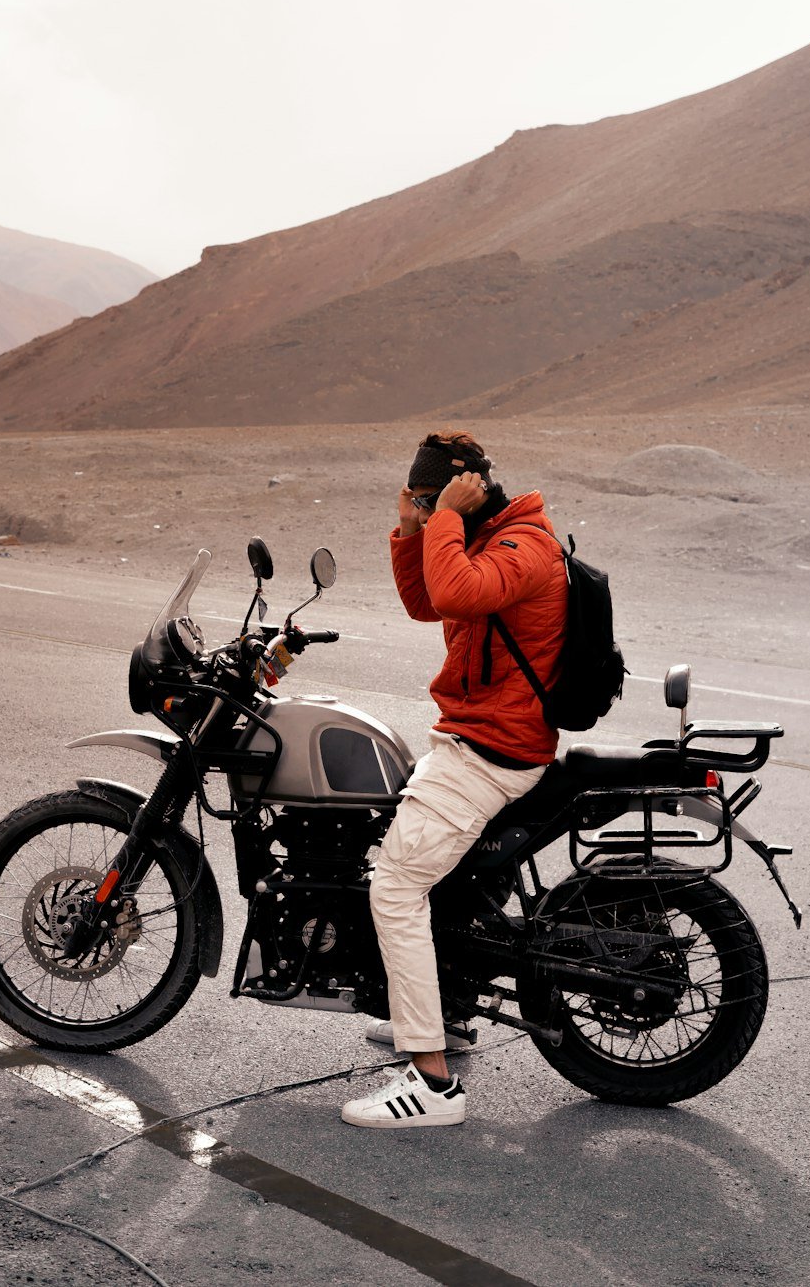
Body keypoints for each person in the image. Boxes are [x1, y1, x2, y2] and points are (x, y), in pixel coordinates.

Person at [341, 429, 567, 1128]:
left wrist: (439, 520)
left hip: (491, 749)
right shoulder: (485, 535)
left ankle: (431, 1084)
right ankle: (449, 1011)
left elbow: (455, 589)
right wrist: (414, 527)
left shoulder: (520, 545)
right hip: (477, 736)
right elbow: (426, 602)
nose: (422, 506)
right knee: (426, 876)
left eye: (430, 493)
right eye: (415, 494)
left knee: (396, 885)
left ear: (467, 489)